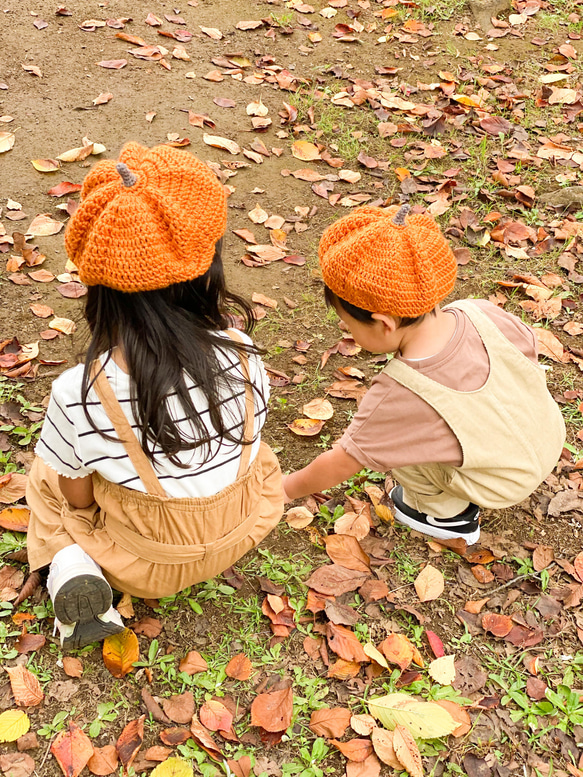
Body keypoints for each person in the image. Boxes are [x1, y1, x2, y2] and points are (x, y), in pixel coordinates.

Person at [26, 142, 283, 649]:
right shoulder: (243, 349)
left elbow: (78, 495)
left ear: (98, 285)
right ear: (209, 269)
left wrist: (82, 502)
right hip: (244, 527)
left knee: (47, 480)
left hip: (147, 565)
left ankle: (68, 564)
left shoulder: (78, 392)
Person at [282, 204, 566, 546]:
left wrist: (286, 488)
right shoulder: (479, 310)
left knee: (405, 448)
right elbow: (527, 353)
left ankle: (445, 516)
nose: (345, 329)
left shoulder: (401, 394)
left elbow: (346, 460)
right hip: (547, 433)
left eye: (348, 322)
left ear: (384, 323)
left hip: (504, 481)